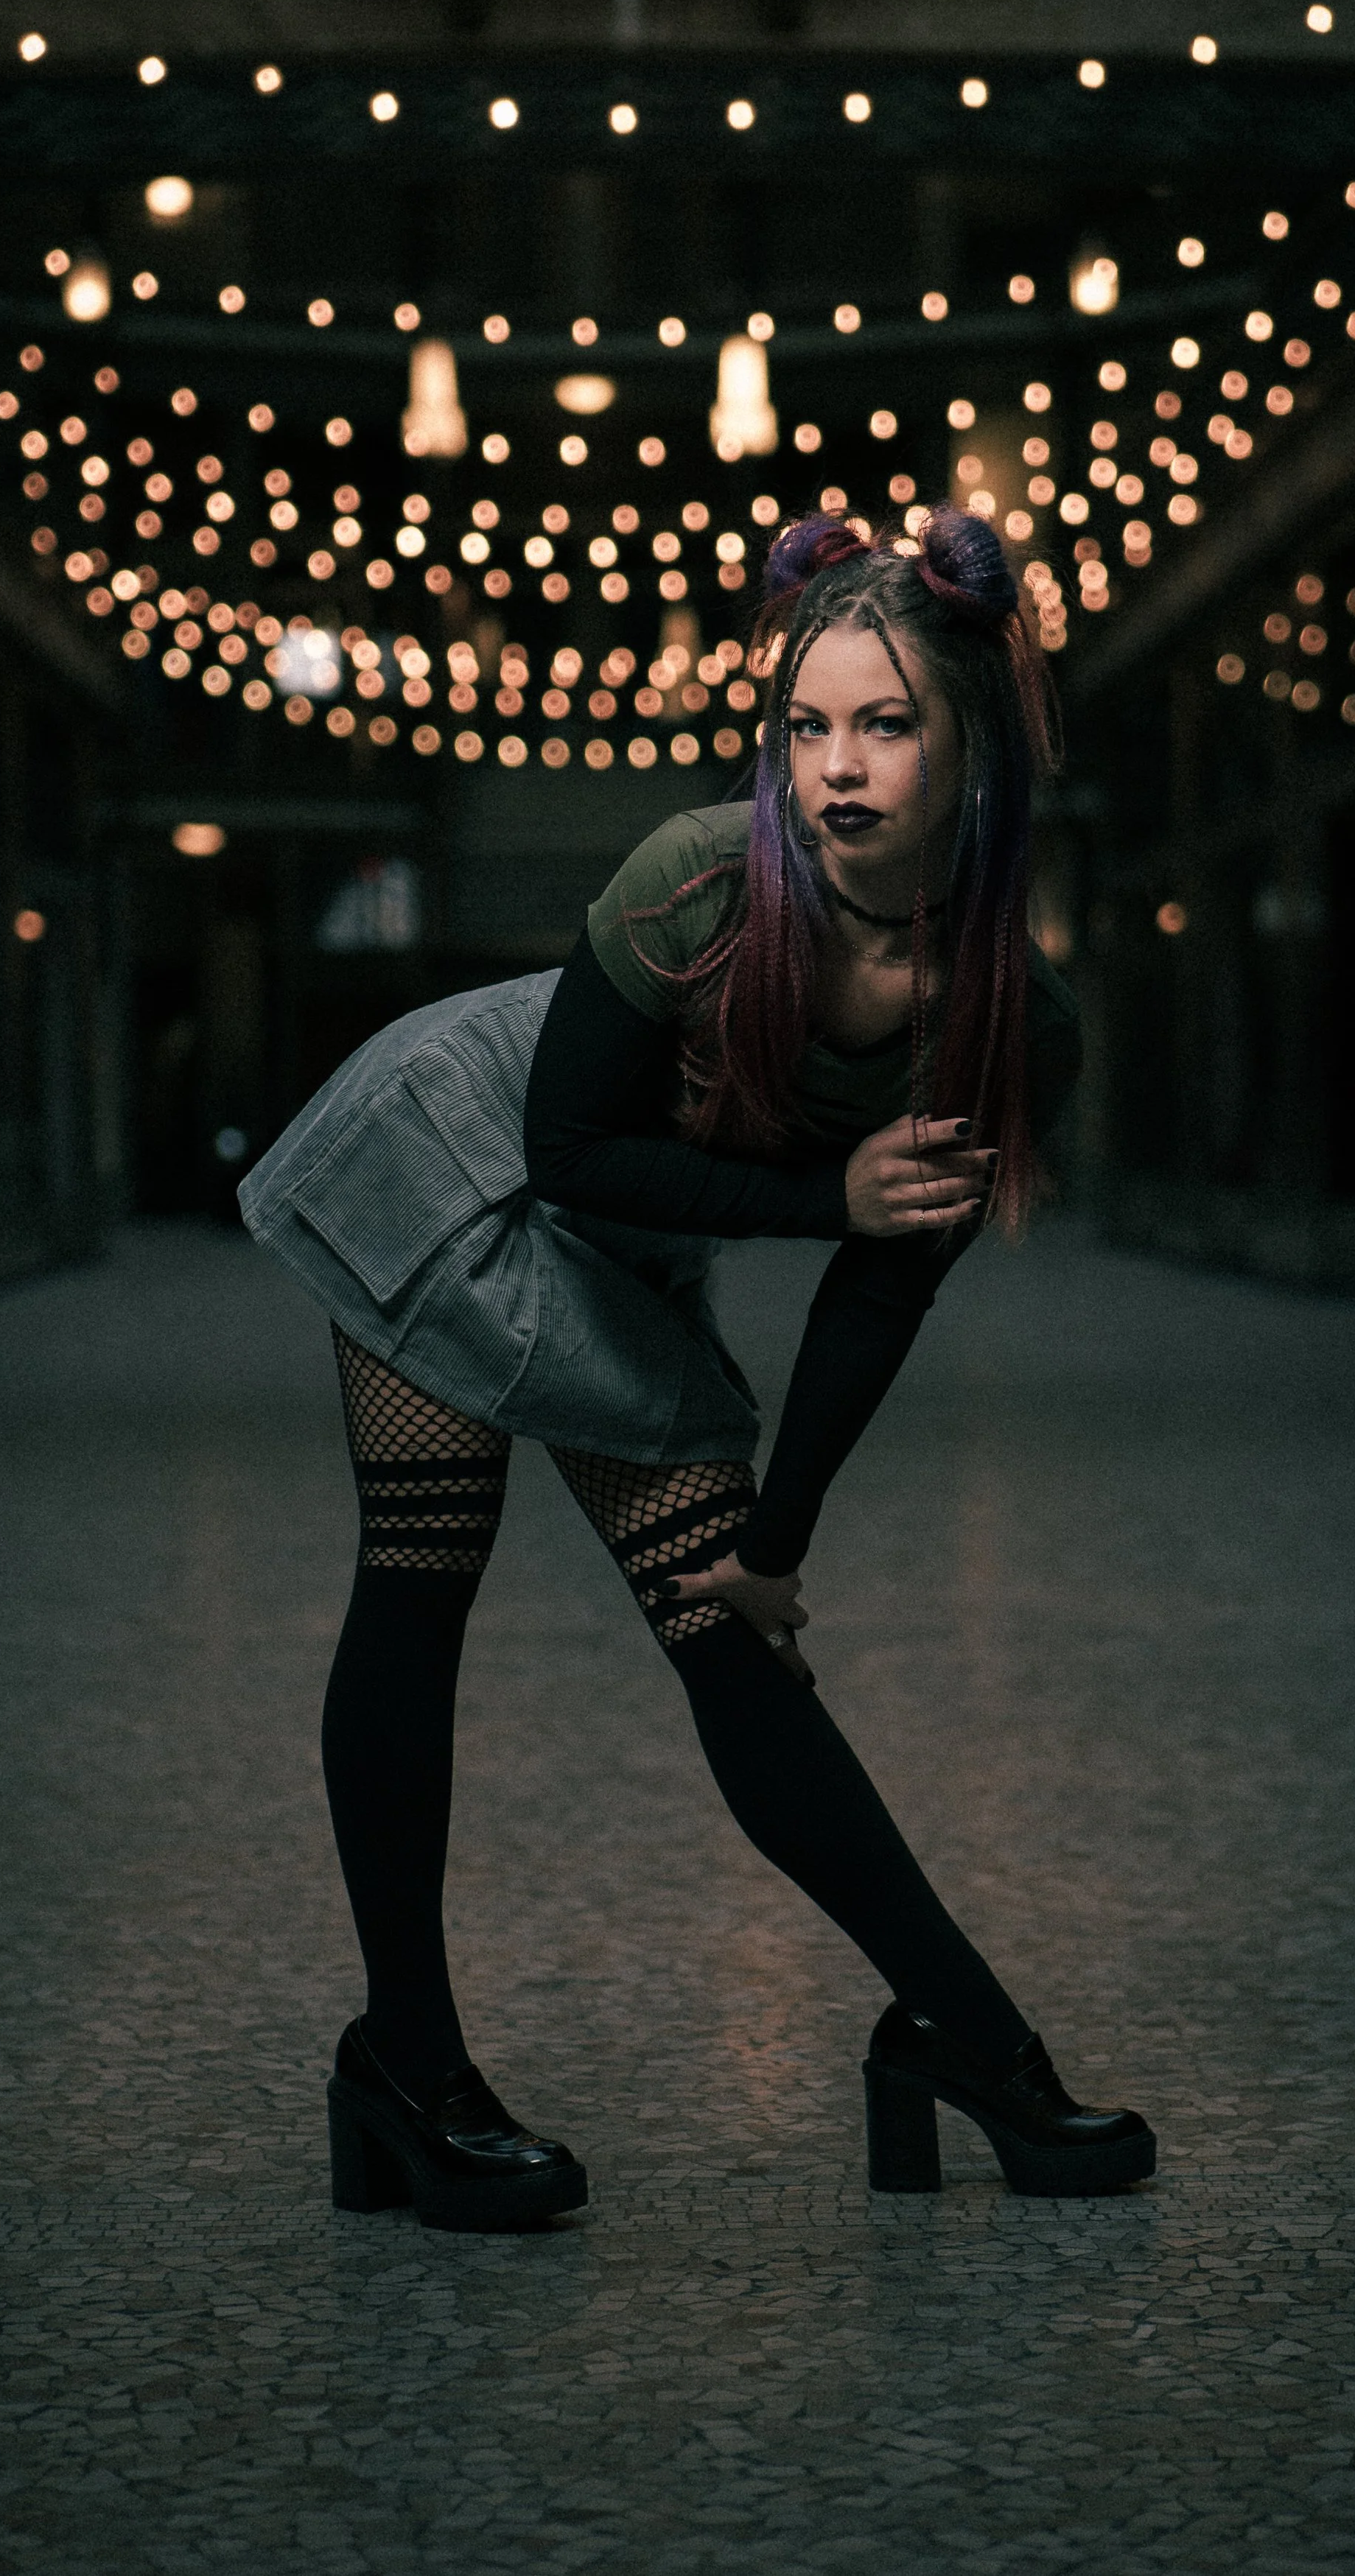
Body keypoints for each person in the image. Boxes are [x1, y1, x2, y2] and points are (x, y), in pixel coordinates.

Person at [239, 506, 1155, 2232]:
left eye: (884, 725)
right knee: (420, 1572)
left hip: (628, 1238)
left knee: (729, 1636)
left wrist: (777, 1543)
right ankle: (406, 2065)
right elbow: (569, 1153)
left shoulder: (1011, 1019)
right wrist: (825, 1195)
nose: (835, 768)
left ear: (973, 747)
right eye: (805, 725)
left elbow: (881, 1295)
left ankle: (966, 2039)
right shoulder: (697, 875)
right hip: (455, 1160)